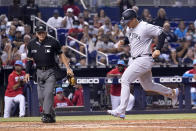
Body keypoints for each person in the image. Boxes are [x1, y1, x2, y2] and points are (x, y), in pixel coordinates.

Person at [107, 9, 179, 119]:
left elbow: (162, 32)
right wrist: (124, 41)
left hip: (144, 59)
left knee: (125, 80)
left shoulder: (145, 26)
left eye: (128, 21)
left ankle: (121, 110)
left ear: (134, 19)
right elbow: (132, 38)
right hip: (135, 59)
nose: (126, 24)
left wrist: (158, 49)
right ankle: (172, 92)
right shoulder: (129, 28)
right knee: (147, 86)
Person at [24, 25, 74, 123]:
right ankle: (51, 114)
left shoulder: (53, 42)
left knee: (48, 93)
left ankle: (46, 115)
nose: (41, 34)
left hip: (51, 71)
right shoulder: (31, 44)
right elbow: (29, 60)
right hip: (38, 71)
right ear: (36, 34)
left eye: (43, 32)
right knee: (40, 97)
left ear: (46, 33)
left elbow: (61, 55)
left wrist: (68, 68)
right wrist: (27, 72)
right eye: (39, 33)